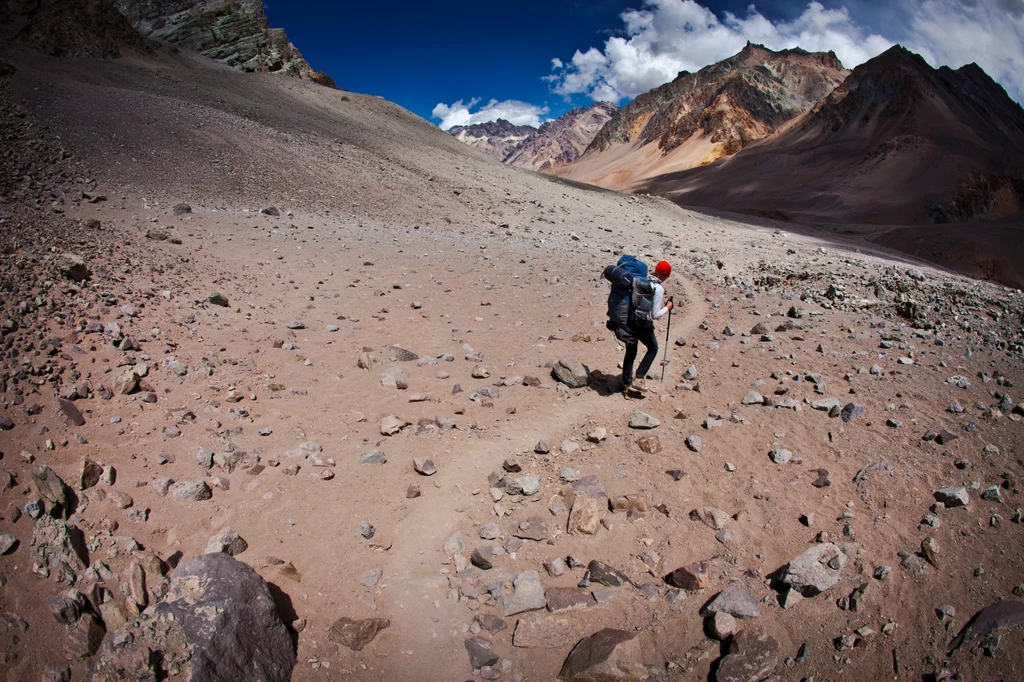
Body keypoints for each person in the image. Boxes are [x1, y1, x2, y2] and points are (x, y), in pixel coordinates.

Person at [604, 258, 674, 397]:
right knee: (653, 348)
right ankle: (639, 377)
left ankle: (627, 384)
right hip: (641, 323)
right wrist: (668, 307)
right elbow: (655, 314)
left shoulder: (638, 278)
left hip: (627, 321)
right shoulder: (658, 288)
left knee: (631, 352)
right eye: (667, 276)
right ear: (663, 275)